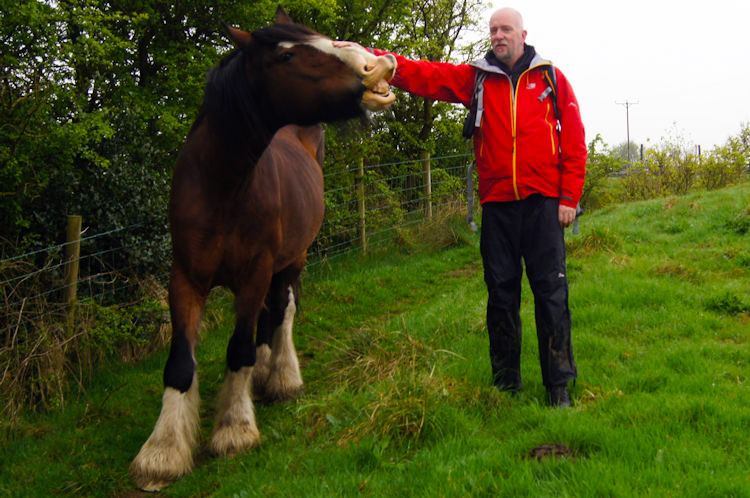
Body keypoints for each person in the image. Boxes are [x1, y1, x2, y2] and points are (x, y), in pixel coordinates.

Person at [341, 7, 586, 406]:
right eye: (493, 30)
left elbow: (574, 140)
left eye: (506, 29)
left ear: (524, 34)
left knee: (551, 294)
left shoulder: (551, 80)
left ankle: (558, 386)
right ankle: (506, 386)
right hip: (498, 206)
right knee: (501, 295)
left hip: (544, 204)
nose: (498, 36)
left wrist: (569, 198)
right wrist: (369, 56)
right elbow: (426, 75)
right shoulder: (476, 79)